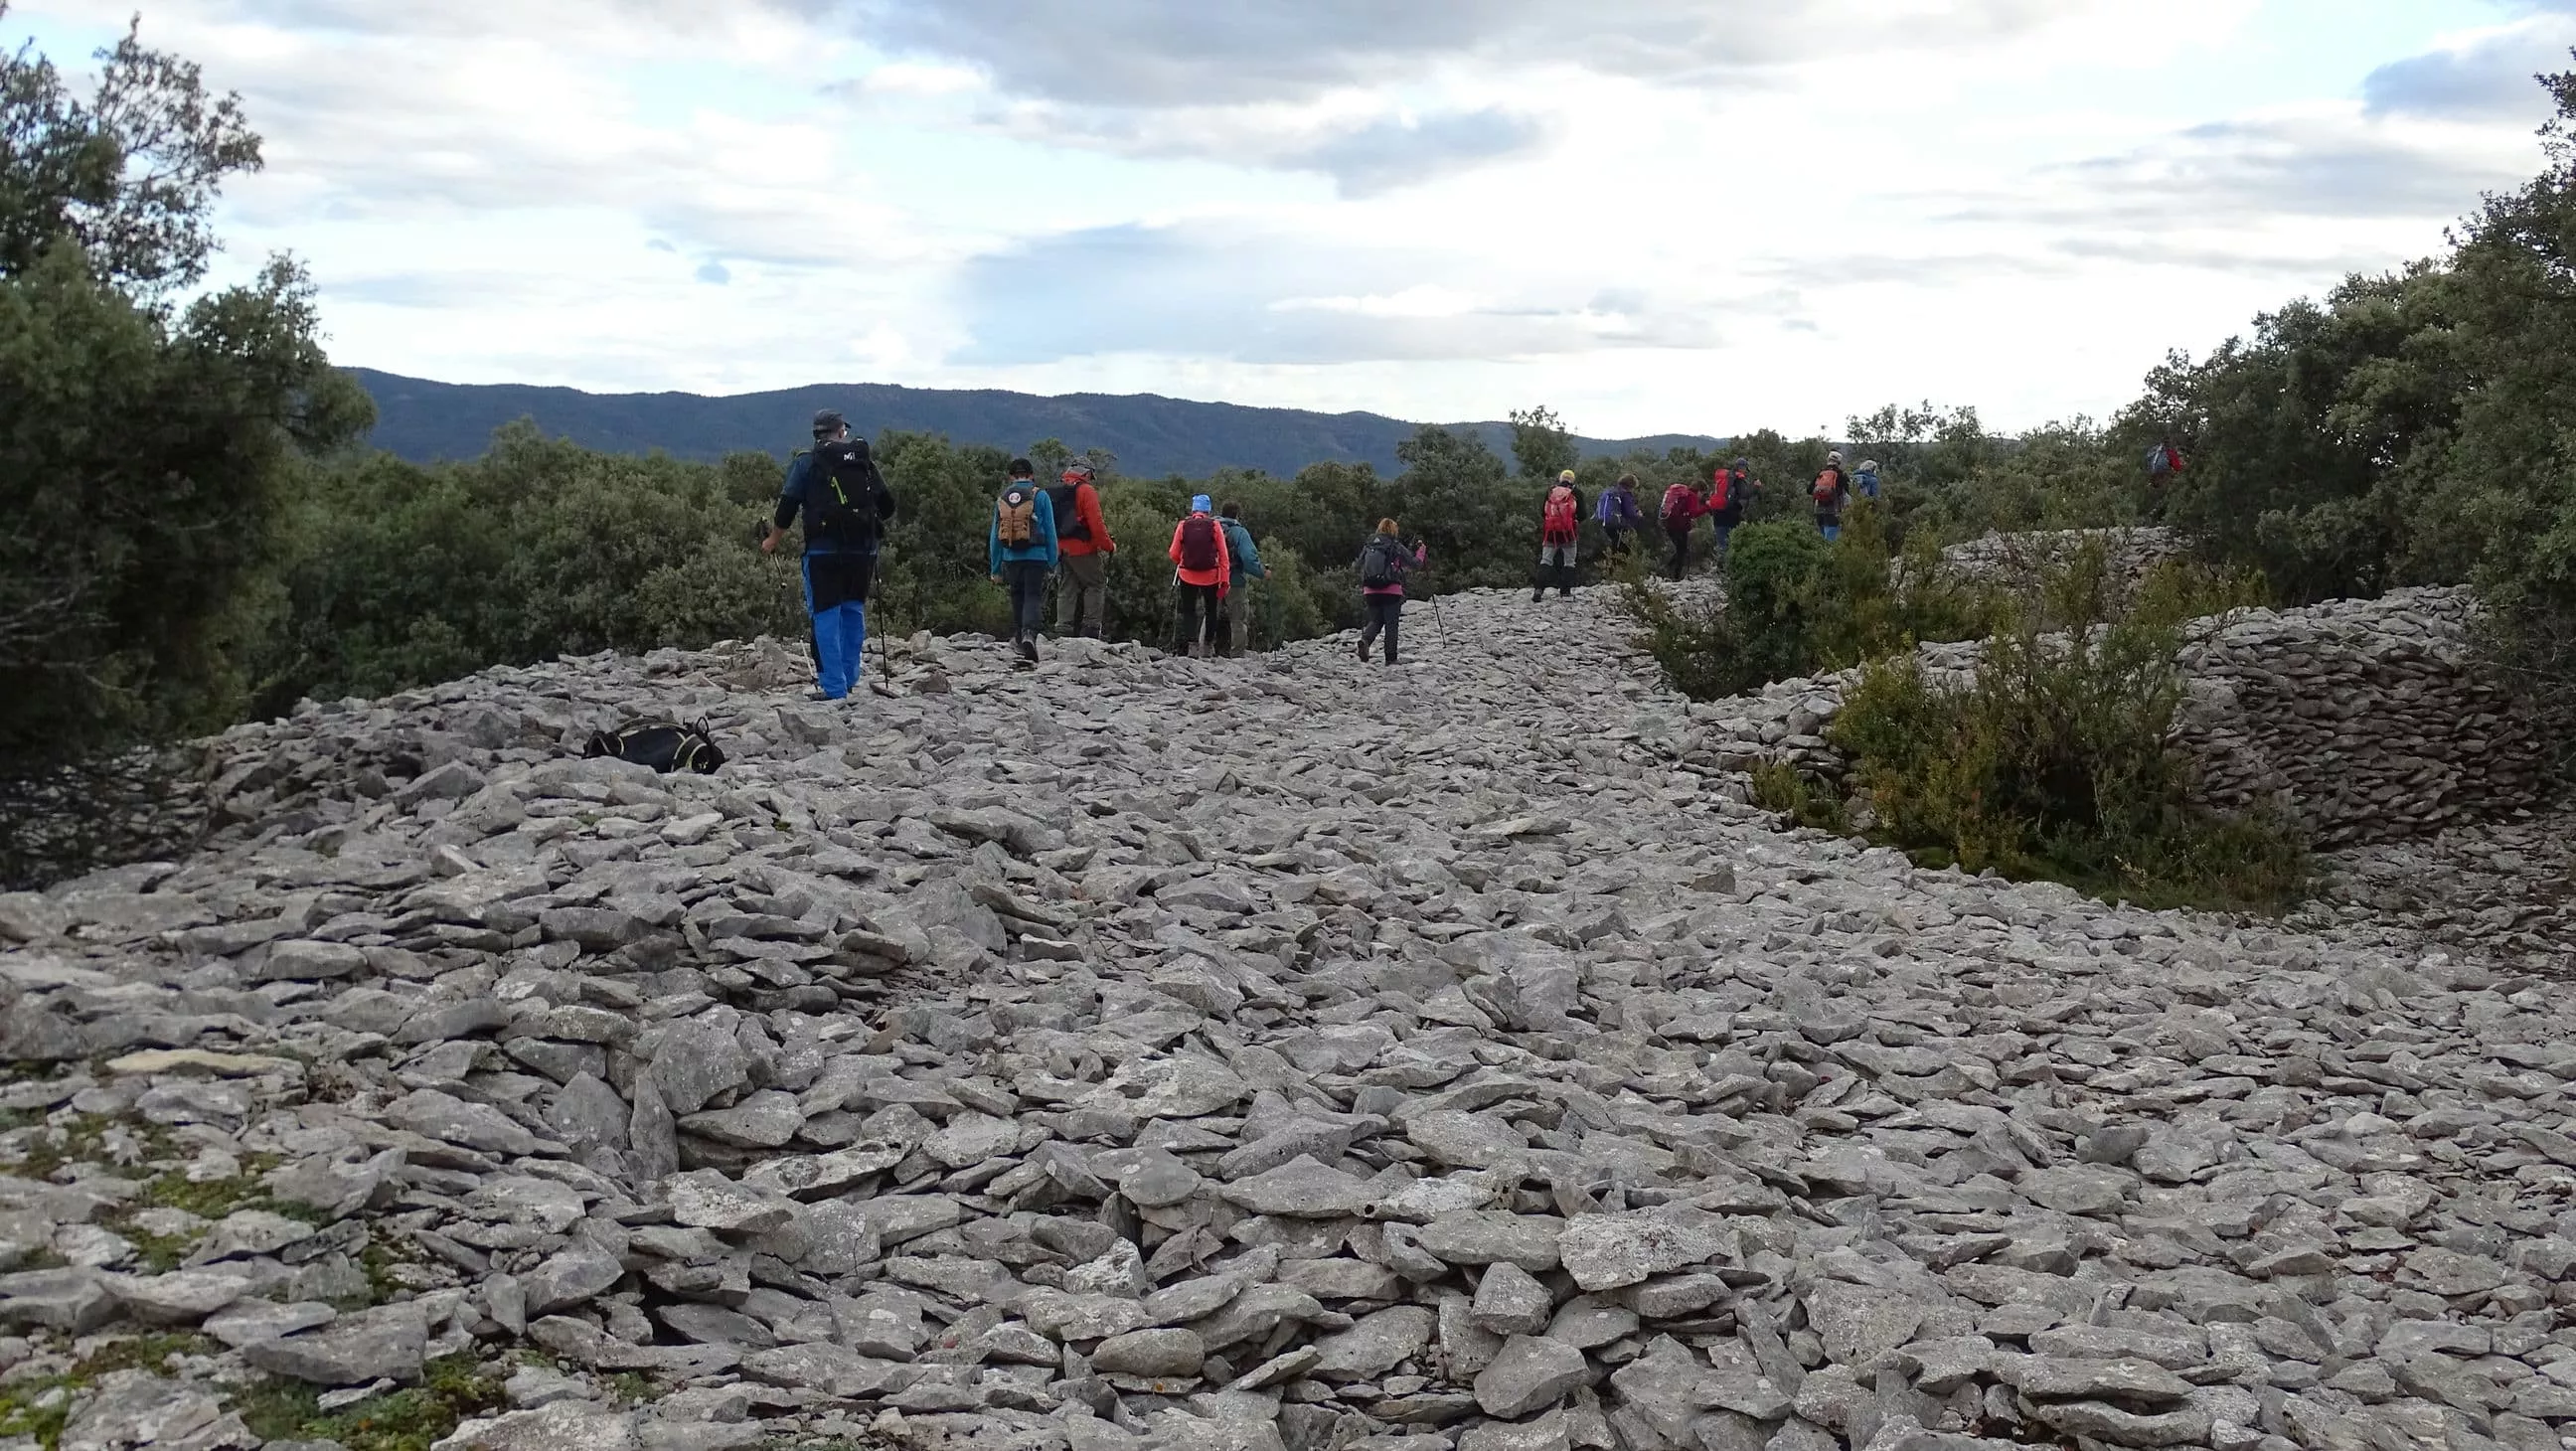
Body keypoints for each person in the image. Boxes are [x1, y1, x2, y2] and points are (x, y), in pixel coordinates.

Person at [762, 407, 897, 701]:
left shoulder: (807, 462)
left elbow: (787, 507)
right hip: (862, 551)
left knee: (825, 616)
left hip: (823, 552)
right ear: (840, 432)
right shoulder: (863, 461)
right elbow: (888, 507)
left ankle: (834, 688)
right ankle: (849, 679)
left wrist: (773, 540)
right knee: (852, 611)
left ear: (816, 434)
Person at [988, 458, 1059, 665]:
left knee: (1017, 596)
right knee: (1032, 596)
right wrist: (1053, 560)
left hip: (1011, 556)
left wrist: (995, 568)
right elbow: (1051, 530)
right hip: (1036, 556)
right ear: (1031, 475)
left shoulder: (1002, 498)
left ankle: (1019, 637)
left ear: (1011, 476)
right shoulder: (1041, 495)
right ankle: (1030, 634)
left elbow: (995, 536)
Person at [1048, 462, 1115, 638]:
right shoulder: (1086, 491)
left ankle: (1063, 629)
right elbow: (1096, 525)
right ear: (1086, 473)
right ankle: (1091, 629)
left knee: (1067, 586)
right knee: (1096, 584)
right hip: (1083, 548)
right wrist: (1108, 546)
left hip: (1060, 548)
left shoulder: (1056, 489)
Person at [1168, 494, 1231, 658]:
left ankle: (1193, 647)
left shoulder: (1183, 525)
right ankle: (1208, 647)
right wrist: (1224, 580)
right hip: (1211, 576)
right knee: (1211, 610)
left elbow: (1173, 553)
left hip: (1187, 575)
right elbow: (1224, 556)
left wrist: (1183, 561)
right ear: (1208, 511)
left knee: (1189, 610)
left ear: (1193, 509)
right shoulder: (1215, 526)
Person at [1355, 519, 1425, 666]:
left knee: (1376, 620)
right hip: (1391, 590)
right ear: (1394, 530)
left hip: (1370, 590)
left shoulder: (1369, 545)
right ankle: (1391, 658)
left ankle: (1365, 640)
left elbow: (1357, 565)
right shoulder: (1395, 545)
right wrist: (1421, 551)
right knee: (1391, 624)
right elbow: (1415, 564)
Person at [1213, 502, 1268, 657]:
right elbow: (1248, 558)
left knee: (1211, 615)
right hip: (1234, 581)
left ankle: (1203, 652)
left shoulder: (1213, 528)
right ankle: (1237, 656)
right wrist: (1262, 572)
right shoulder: (1239, 532)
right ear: (1237, 515)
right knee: (1238, 619)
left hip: (1213, 580)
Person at [1532, 468, 1584, 601]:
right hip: (1569, 533)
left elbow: (1543, 512)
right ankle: (1565, 592)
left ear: (1560, 479)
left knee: (1546, 560)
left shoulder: (1551, 491)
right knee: (1569, 562)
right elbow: (1583, 514)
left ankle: (1538, 590)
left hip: (1551, 532)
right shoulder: (1577, 492)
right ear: (1573, 480)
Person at [1708, 458, 1757, 564]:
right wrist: (1755, 487)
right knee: (1732, 543)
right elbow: (1745, 494)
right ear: (1742, 468)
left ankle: (1721, 568)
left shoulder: (1724, 478)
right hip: (1731, 514)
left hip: (1717, 514)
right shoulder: (1738, 479)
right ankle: (1730, 567)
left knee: (1721, 544)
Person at [1659, 476, 1701, 580]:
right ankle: (1675, 575)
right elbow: (1693, 513)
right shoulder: (1692, 496)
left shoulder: (1682, 494)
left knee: (1680, 549)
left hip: (1669, 523)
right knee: (1681, 550)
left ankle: (1668, 570)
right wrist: (1707, 507)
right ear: (1700, 490)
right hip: (1680, 526)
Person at [1595, 473, 1645, 559]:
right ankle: (1619, 565)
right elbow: (1630, 512)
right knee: (1623, 549)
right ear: (1631, 485)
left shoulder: (1612, 491)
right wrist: (1638, 515)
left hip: (1607, 523)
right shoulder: (1626, 494)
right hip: (1620, 525)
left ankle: (1611, 564)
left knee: (1614, 546)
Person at [1812, 450, 1852, 542]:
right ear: (1839, 462)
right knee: (1830, 542)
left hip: (1819, 511)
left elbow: (1809, 490)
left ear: (1828, 460)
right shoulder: (1841, 475)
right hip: (1833, 511)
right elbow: (1850, 490)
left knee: (1821, 542)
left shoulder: (1820, 473)